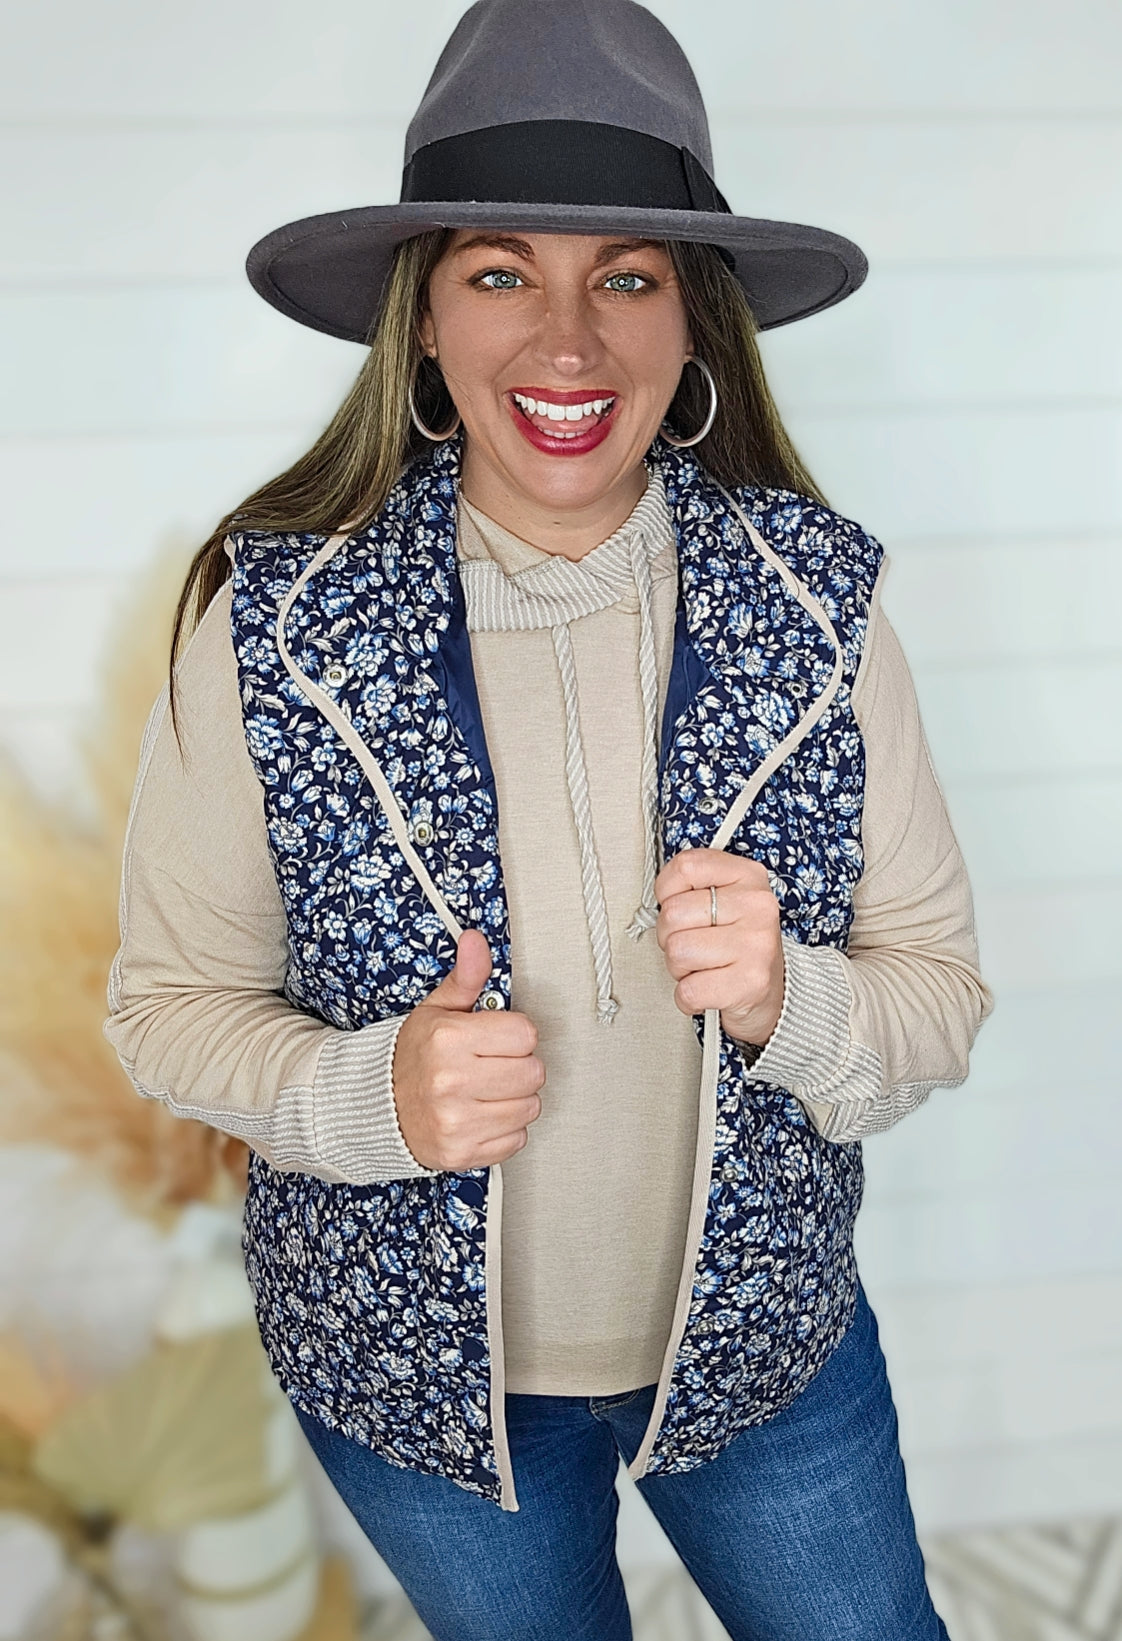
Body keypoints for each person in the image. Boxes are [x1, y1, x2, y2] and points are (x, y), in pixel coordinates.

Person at [104, 2, 994, 1637]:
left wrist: (796, 994)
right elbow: (166, 1014)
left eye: (627, 278)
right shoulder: (278, 625)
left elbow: (936, 998)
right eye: (502, 272)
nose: (568, 342)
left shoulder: (817, 609)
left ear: (693, 321)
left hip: (769, 1358)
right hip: (422, 1399)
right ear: (423, 320)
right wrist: (369, 1092)